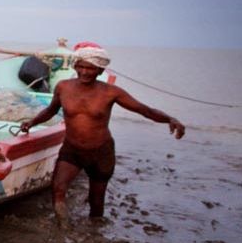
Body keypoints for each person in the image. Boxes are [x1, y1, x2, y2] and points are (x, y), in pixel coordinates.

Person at [20, 46, 184, 226]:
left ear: (100, 70)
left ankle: (95, 232)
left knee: (96, 202)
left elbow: (144, 110)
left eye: (90, 68)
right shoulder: (63, 87)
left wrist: (170, 118)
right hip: (72, 150)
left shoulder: (111, 92)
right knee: (58, 189)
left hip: (101, 153)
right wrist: (31, 123)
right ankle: (63, 227)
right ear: (75, 66)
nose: (84, 71)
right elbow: (51, 110)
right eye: (80, 66)